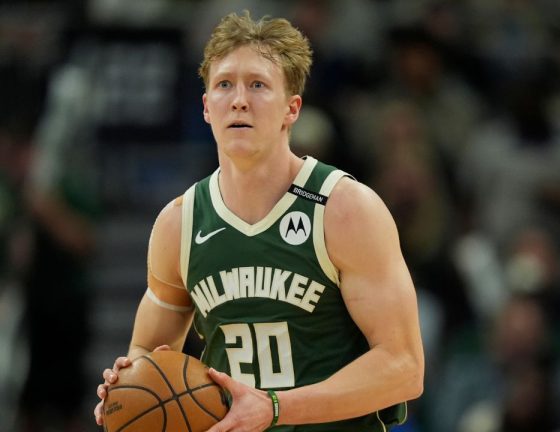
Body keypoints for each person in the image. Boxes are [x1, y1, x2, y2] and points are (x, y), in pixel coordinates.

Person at [94, 11, 424, 432]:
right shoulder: (179, 223)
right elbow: (147, 348)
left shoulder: (345, 210)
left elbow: (404, 368)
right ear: (206, 108)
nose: (239, 99)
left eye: (258, 85)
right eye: (224, 84)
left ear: (292, 108)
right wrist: (129, 389)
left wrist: (275, 407)